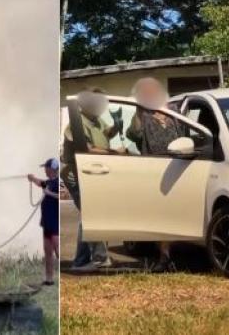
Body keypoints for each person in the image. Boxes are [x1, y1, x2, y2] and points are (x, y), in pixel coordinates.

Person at [61, 88, 125, 270]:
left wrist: (117, 126)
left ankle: (83, 260)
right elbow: (86, 148)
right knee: (91, 213)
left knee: (91, 214)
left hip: (91, 172)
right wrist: (115, 152)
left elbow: (107, 134)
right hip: (76, 174)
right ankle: (97, 258)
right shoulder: (76, 122)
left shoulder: (95, 120)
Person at [126, 77, 183, 272]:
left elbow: (186, 135)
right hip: (154, 168)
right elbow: (134, 134)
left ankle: (176, 253)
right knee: (161, 214)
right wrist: (138, 111)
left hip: (179, 166)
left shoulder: (175, 113)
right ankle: (164, 257)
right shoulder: (144, 116)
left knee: (177, 212)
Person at [27, 158, 60, 285]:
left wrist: (48, 193)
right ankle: (49, 279)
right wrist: (32, 178)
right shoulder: (49, 182)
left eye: (46, 168)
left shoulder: (58, 182)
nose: (44, 170)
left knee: (57, 248)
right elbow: (40, 182)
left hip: (55, 222)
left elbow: (60, 196)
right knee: (48, 251)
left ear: (52, 169)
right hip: (46, 222)